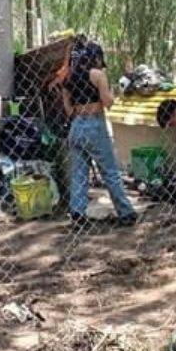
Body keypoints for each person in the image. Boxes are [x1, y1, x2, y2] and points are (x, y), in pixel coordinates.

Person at [60, 40, 136, 228]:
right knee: (110, 172)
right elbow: (107, 102)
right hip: (95, 124)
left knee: (79, 174)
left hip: (76, 126)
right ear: (97, 58)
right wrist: (114, 92)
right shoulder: (98, 75)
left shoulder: (68, 78)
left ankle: (77, 214)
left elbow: (68, 110)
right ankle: (126, 212)